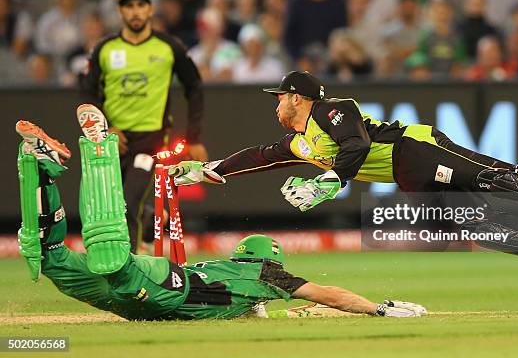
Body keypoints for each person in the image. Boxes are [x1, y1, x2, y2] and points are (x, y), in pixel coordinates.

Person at [169, 71, 518, 276]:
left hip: (413, 150)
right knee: (472, 222)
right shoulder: (298, 143)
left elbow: (356, 145)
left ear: (298, 98)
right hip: (408, 176)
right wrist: (206, 170)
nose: (275, 104)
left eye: (279, 97)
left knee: (490, 177)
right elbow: (258, 156)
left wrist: (330, 180)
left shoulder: (332, 109)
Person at [15, 110, 427, 320]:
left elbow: (266, 310)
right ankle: (99, 146)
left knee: (51, 255)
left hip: (149, 298)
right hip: (159, 293)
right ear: (270, 261)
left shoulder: (234, 273)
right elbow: (328, 295)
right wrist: (377, 308)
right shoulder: (269, 278)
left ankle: (41, 170)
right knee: (112, 257)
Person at [81, 0, 207, 254]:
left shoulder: (168, 47)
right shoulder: (104, 48)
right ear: (120, 11)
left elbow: (194, 87)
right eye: (129, 6)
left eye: (140, 5)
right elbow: (87, 93)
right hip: (113, 140)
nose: (135, 11)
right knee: (110, 204)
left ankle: (128, 267)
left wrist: (194, 138)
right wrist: (106, 130)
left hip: (151, 141)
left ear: (150, 9)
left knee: (128, 201)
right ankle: (151, 220)